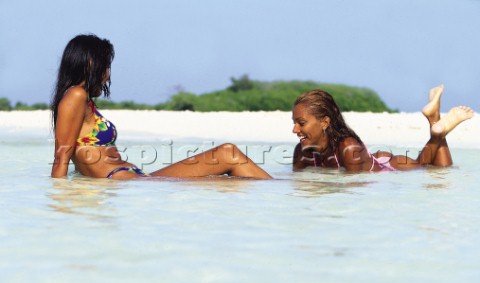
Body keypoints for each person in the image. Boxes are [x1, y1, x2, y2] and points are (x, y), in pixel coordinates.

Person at [51, 34, 272, 180]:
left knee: (235, 183)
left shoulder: (82, 99)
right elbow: (62, 156)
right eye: (105, 65)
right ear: (90, 64)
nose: (107, 73)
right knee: (228, 153)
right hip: (130, 184)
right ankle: (290, 193)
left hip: (136, 180)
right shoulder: (75, 96)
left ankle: (289, 194)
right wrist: (57, 204)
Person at [292, 86, 474, 172]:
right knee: (434, 168)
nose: (295, 129)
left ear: (324, 122)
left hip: (388, 166)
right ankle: (435, 121)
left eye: (301, 122)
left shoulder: (348, 147)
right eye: (294, 122)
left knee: (431, 168)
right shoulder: (301, 151)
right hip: (375, 157)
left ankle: (437, 132)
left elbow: (352, 191)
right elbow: (298, 182)